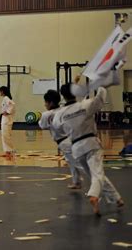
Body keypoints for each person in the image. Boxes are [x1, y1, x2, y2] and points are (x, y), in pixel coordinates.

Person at [53, 80, 124, 215]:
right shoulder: (85, 105)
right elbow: (100, 98)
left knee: (95, 174)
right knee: (97, 174)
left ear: (63, 96)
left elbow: (57, 127)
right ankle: (94, 196)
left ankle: (116, 198)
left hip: (76, 148)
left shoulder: (60, 114)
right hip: (91, 143)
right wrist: (102, 84)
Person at [38, 90, 83, 189]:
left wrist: (42, 116)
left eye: (46, 102)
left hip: (65, 141)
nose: (45, 104)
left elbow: (42, 125)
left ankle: (98, 181)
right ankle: (77, 182)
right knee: (71, 162)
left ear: (51, 102)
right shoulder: (63, 109)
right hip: (71, 138)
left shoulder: (47, 114)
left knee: (78, 164)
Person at [0, 86, 15, 157]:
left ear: (2, 91)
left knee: (6, 135)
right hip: (5, 118)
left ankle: (9, 150)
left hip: (6, 118)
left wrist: (8, 112)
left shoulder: (6, 98)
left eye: (0, 91)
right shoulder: (5, 98)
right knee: (5, 135)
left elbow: (12, 104)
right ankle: (8, 150)